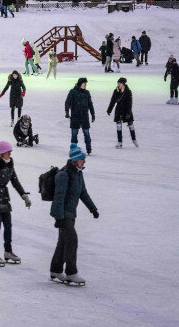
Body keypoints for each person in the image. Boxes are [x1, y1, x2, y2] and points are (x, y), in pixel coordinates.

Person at [50, 144, 99, 286]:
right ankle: (71, 273)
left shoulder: (78, 173)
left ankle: (55, 270)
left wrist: (93, 209)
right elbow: (59, 197)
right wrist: (59, 218)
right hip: (63, 215)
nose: (84, 161)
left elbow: (83, 193)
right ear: (75, 160)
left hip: (71, 214)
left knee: (63, 242)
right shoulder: (64, 175)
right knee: (72, 240)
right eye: (82, 159)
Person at [64, 77, 96, 154]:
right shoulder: (73, 92)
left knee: (86, 133)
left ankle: (89, 148)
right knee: (74, 134)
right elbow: (67, 102)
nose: (85, 85)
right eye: (84, 83)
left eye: (86, 84)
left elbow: (90, 104)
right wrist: (67, 111)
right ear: (80, 83)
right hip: (75, 116)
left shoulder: (87, 93)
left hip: (84, 116)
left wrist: (93, 114)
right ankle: (74, 149)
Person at [106, 77, 138, 149]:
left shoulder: (128, 92)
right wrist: (109, 110)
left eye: (120, 83)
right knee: (118, 126)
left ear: (123, 84)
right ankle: (119, 142)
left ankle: (134, 139)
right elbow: (113, 101)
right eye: (118, 83)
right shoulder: (116, 91)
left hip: (127, 110)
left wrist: (128, 113)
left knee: (131, 125)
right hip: (119, 110)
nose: (118, 85)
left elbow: (130, 103)